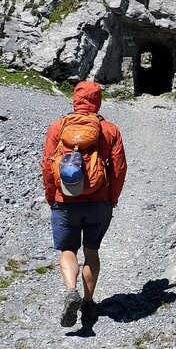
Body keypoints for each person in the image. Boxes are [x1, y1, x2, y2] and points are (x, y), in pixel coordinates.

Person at [41, 81, 127, 327]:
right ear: (98, 101)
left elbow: (48, 167)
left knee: (68, 251)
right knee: (91, 252)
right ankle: (89, 304)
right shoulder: (109, 129)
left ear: (75, 100)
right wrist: (112, 198)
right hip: (98, 201)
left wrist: (52, 196)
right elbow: (119, 169)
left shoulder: (58, 127)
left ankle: (71, 292)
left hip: (64, 201)